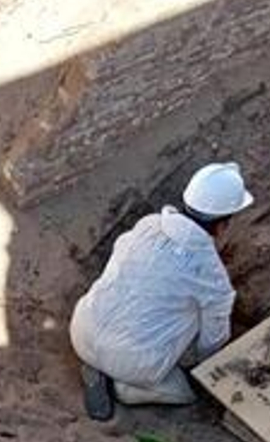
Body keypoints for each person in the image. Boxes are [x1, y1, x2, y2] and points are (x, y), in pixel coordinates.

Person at [69, 162, 256, 421]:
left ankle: (99, 363)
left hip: (81, 329)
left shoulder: (147, 224)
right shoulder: (211, 275)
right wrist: (197, 366)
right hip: (131, 365)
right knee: (185, 392)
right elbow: (212, 343)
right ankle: (123, 388)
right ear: (223, 225)